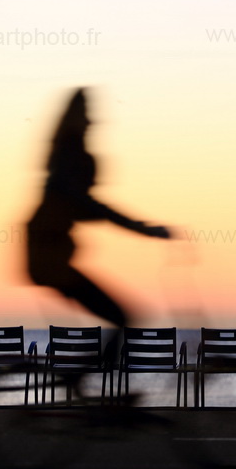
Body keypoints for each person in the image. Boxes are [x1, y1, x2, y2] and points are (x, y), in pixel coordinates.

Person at [26, 88, 171, 396]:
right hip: (50, 264)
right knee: (122, 316)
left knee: (120, 317)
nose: (92, 122)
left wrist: (137, 227)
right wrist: (145, 230)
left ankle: (84, 378)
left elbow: (87, 209)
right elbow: (90, 206)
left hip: (50, 262)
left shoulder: (63, 162)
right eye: (87, 115)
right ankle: (84, 378)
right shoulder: (69, 157)